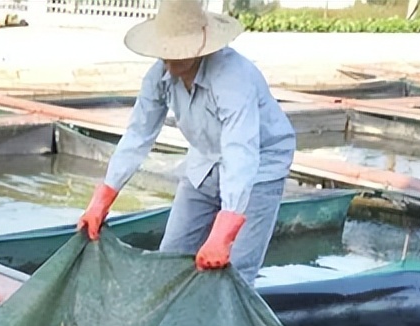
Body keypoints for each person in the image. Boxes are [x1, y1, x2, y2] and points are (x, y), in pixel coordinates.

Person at [74, 0, 296, 286]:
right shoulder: (160, 76)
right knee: (171, 257)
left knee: (235, 274)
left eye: (181, 50)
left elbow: (240, 150)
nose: (172, 59)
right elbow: (138, 134)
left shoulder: (232, 77)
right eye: (167, 51)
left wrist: (225, 229)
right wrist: (104, 197)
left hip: (260, 164)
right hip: (204, 159)